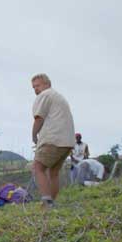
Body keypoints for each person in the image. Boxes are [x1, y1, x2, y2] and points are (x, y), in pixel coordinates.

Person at [31, 74, 75, 208]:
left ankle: (47, 202)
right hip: (67, 141)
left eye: (37, 85)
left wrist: (34, 135)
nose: (35, 89)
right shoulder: (59, 97)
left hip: (53, 139)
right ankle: (51, 202)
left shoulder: (45, 95)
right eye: (33, 87)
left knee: (37, 168)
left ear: (47, 84)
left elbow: (39, 118)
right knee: (53, 172)